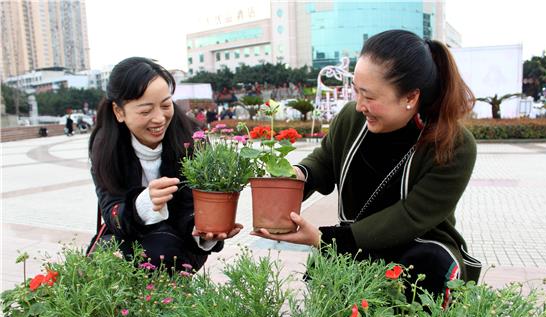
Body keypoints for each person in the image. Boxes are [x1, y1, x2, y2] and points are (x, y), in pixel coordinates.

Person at [252, 30, 478, 298]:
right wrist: (297, 176)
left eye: (369, 97)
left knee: (425, 271)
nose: (359, 105)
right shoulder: (352, 119)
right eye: (356, 92)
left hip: (416, 251)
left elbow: (411, 216)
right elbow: (325, 161)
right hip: (350, 241)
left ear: (410, 98)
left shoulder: (453, 145)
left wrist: (329, 241)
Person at [88, 57, 242, 271]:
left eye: (165, 105)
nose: (159, 118)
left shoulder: (191, 138)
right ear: (119, 111)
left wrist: (205, 231)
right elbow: (110, 211)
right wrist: (141, 205)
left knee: (161, 251)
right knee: (96, 268)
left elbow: (193, 206)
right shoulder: (105, 147)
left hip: (179, 243)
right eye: (145, 111)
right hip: (127, 237)